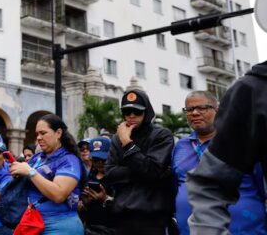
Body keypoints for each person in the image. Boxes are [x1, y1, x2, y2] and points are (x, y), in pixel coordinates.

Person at [173, 91, 265, 235]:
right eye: (190, 109)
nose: (195, 113)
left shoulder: (244, 143)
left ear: (218, 110)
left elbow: (262, 186)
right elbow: (176, 184)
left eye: (202, 108)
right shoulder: (180, 146)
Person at [103, 90, 174, 235]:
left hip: (152, 216)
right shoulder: (117, 138)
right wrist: (147, 172)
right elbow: (109, 174)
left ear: (146, 112)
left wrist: (127, 143)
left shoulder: (162, 135)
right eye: (127, 111)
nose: (131, 115)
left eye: (137, 111)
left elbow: (151, 169)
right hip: (122, 215)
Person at [10, 114, 85, 234]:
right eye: (37, 134)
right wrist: (18, 172)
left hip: (60, 226)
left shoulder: (69, 160)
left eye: (43, 133)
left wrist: (30, 172)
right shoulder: (38, 157)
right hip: (33, 222)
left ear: (58, 133)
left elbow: (58, 195)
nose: (39, 138)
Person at [78, 138, 116, 235]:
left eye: (103, 160)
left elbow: (125, 206)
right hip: (90, 227)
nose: (99, 163)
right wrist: (84, 203)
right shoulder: (88, 177)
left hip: (112, 228)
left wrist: (106, 199)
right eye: (95, 160)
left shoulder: (118, 177)